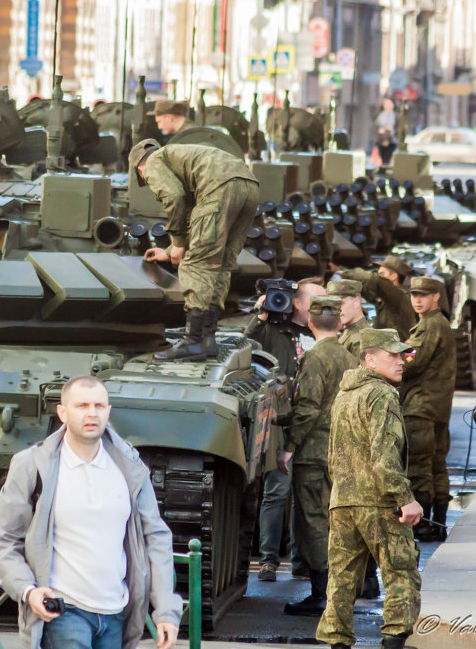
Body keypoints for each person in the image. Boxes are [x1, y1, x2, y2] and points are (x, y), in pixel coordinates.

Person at [0, 375, 182, 649]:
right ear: (62, 412)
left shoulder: (130, 466)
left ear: (108, 411)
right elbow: (4, 539)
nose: (92, 413)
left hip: (116, 612)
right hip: (64, 613)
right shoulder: (33, 465)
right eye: (81, 406)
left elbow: (156, 538)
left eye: (99, 406)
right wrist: (28, 591)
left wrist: (165, 610)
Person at [317, 328, 423, 649]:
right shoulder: (382, 395)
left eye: (402, 354)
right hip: (378, 503)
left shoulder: (345, 394)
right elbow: (384, 456)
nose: (401, 361)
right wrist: (405, 499)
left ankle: (337, 644)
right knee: (401, 575)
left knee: (340, 582)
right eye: (392, 355)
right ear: (369, 358)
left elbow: (333, 454)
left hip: (344, 502)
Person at [130, 140, 260, 361]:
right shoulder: (182, 159)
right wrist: (170, 249)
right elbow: (196, 219)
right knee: (219, 265)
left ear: (138, 169)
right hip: (248, 185)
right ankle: (207, 341)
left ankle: (192, 342)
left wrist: (179, 243)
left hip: (218, 187)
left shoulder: (152, 162)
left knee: (196, 264)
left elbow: (173, 196)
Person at [281, 296, 358, 616]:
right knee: (337, 521)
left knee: (313, 521)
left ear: (310, 323)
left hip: (314, 454)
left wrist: (289, 446)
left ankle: (322, 595)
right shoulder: (350, 358)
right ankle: (339, 590)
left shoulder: (315, 358)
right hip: (343, 452)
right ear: (340, 323)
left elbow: (308, 407)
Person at [246, 278, 325, 582]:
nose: (322, 308)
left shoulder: (323, 334)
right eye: (316, 302)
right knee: (276, 492)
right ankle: (268, 560)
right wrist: (261, 312)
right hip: (280, 423)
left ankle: (301, 560)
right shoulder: (272, 331)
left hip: (312, 423)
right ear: (298, 304)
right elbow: (246, 341)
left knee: (308, 496)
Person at [400, 276, 455, 542]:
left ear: (436, 297)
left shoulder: (428, 326)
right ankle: (439, 522)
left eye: (424, 295)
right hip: (438, 407)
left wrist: (397, 359)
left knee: (419, 467)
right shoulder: (440, 323)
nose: (418, 300)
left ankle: (422, 525)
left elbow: (412, 362)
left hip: (420, 407)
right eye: (414, 295)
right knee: (437, 465)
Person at [338, 257, 417, 339]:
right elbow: (368, 290)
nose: (379, 276)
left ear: (394, 276)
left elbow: (375, 280)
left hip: (396, 348)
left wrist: (343, 272)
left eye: (382, 274)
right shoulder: (386, 299)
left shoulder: (400, 297)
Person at [328, 279, 369, 357]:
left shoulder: (361, 339)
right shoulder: (348, 332)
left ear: (356, 301)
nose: (336, 309)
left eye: (341, 303)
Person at [374, 99, 398, 165]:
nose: (388, 106)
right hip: (381, 140)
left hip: (391, 141)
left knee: (388, 159)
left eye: (390, 104)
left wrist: (392, 130)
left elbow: (398, 128)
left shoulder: (395, 116)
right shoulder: (380, 115)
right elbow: (376, 127)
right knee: (383, 159)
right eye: (386, 104)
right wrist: (381, 130)